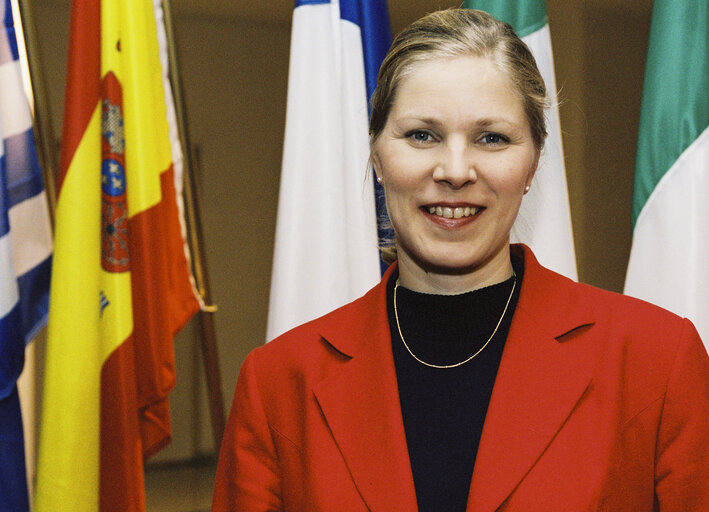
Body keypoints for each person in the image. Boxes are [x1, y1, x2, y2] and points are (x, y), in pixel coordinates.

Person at [211, 8, 709, 511]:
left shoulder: (656, 363)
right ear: (378, 156)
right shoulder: (277, 383)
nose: (454, 170)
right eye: (421, 135)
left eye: (491, 137)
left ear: (534, 161)